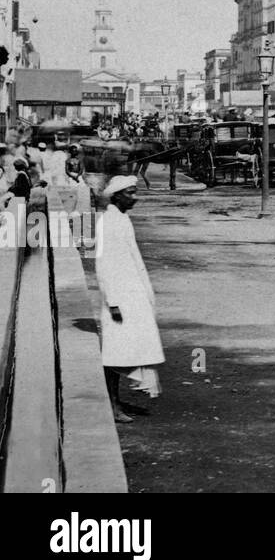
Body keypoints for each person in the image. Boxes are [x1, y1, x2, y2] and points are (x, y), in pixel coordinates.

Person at [95, 176, 165, 424]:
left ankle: (115, 401)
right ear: (117, 196)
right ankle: (112, 405)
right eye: (131, 193)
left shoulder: (121, 219)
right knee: (114, 353)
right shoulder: (108, 223)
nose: (135, 197)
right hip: (120, 296)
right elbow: (102, 264)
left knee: (128, 348)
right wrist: (112, 301)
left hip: (132, 293)